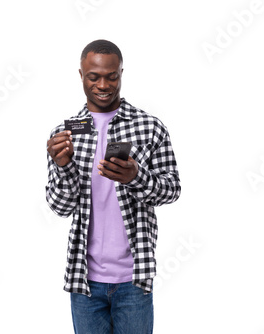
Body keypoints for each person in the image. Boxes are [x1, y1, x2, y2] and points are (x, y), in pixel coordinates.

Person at [46, 39, 181, 334]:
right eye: (94, 76)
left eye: (112, 76)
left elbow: (172, 190)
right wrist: (64, 166)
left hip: (134, 277)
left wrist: (136, 177)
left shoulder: (150, 127)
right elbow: (59, 206)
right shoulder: (64, 133)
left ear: (121, 73)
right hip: (84, 279)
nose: (103, 84)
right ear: (81, 75)